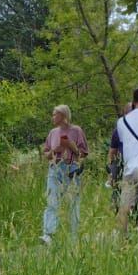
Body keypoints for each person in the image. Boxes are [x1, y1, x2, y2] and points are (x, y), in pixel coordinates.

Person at [41, 104, 88, 243]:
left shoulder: (76, 130)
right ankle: (48, 234)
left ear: (63, 115)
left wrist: (71, 145)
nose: (53, 117)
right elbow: (47, 154)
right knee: (52, 200)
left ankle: (74, 235)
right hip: (55, 167)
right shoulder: (52, 133)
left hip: (71, 167)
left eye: (55, 114)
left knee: (74, 202)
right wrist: (55, 150)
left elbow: (83, 153)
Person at [114, 87, 138, 233]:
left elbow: (123, 140)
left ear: (133, 102)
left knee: (125, 207)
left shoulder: (122, 122)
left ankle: (121, 239)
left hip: (129, 168)